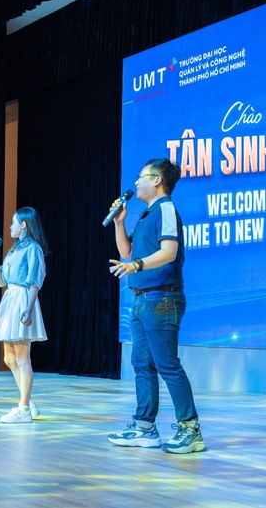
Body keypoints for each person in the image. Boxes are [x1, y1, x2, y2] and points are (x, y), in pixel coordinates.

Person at [106, 158, 205, 454]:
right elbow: (126, 251)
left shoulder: (166, 210)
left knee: (167, 365)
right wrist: (119, 223)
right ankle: (144, 428)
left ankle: (190, 429)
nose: (136, 182)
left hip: (162, 298)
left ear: (157, 180)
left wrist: (135, 265)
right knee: (142, 364)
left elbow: (168, 252)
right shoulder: (147, 214)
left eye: (141, 177)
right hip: (141, 298)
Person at [0, 207, 49, 423]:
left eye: (13, 222)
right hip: (10, 298)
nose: (10, 227)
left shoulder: (33, 249)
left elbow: (34, 281)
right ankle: (28, 402)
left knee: (22, 358)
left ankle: (24, 409)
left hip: (23, 298)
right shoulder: (14, 250)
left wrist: (28, 308)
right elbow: (1, 282)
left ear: (23, 225)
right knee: (9, 358)